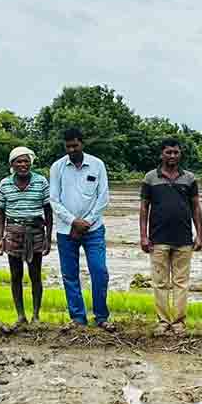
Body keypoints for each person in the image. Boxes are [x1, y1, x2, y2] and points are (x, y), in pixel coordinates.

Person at [140, 138, 202, 334]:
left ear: (180, 154)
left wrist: (200, 235)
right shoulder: (150, 178)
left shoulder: (189, 178)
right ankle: (162, 322)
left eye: (176, 152)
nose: (172, 156)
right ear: (162, 154)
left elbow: (196, 207)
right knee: (160, 282)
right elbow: (144, 208)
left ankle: (178, 322)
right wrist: (143, 236)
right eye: (168, 152)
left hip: (183, 239)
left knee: (181, 282)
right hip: (157, 239)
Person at [49, 128, 111, 329]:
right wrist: (73, 221)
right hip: (66, 231)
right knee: (69, 275)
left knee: (99, 271)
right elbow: (54, 200)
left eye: (75, 145)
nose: (72, 149)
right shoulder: (57, 167)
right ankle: (78, 318)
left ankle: (101, 317)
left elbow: (103, 198)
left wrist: (87, 222)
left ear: (82, 143)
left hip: (93, 230)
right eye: (68, 146)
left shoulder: (97, 165)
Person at [0, 147, 52, 325]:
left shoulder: (41, 182)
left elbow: (48, 212)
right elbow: (0, 213)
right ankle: (20, 315)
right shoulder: (5, 184)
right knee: (15, 274)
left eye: (26, 161)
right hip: (13, 232)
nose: (23, 165)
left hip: (35, 232)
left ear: (31, 163)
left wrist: (48, 238)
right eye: (18, 161)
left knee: (35, 274)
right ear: (12, 164)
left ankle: (35, 315)